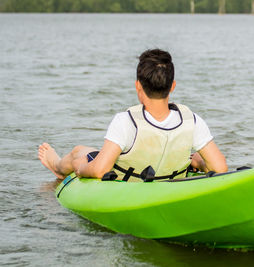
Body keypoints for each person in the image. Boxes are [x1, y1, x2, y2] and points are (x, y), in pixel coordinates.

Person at [38, 49, 227, 182]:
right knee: (196, 157)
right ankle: (57, 164)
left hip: (127, 183)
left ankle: (57, 167)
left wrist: (81, 168)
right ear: (173, 86)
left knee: (78, 152)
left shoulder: (126, 121)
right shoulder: (192, 120)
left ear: (138, 86)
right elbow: (220, 168)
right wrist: (199, 162)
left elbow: (100, 170)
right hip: (170, 177)